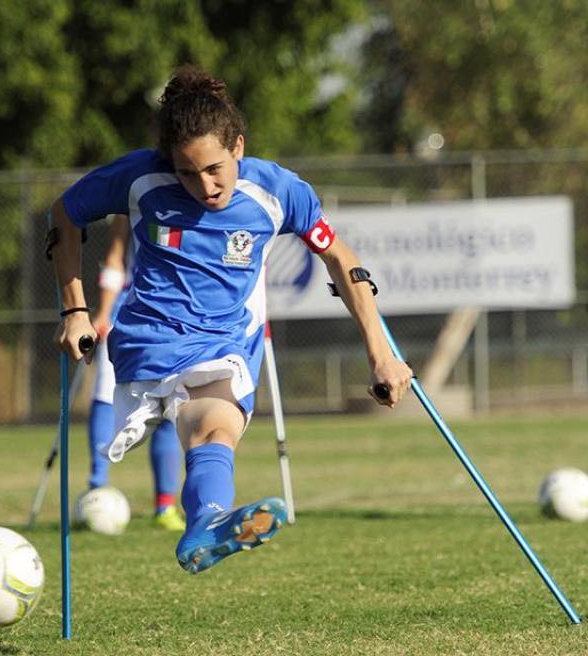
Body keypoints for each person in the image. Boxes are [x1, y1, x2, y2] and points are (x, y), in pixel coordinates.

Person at [49, 64, 412, 575]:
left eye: (215, 168)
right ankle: (207, 517)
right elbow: (65, 213)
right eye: (187, 172)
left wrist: (382, 356)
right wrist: (74, 310)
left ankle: (207, 524)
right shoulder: (138, 176)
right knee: (211, 425)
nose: (204, 185)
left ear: (238, 146)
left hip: (225, 342)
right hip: (151, 334)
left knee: (215, 433)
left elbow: (340, 258)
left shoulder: (279, 192)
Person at [87, 214, 185, 532]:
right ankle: (96, 491)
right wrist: (102, 313)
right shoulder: (135, 197)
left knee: (171, 408)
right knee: (105, 395)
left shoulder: (198, 201)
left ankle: (165, 505)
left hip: (178, 321)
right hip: (126, 314)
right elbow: (115, 258)